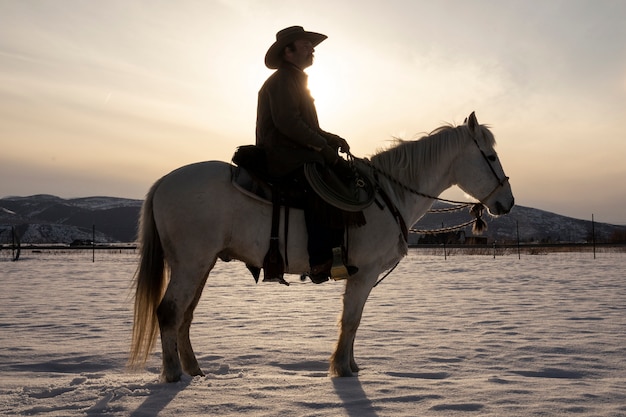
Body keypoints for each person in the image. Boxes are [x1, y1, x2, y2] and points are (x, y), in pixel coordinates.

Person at [256, 26, 356, 283]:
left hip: (295, 149)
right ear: (288, 52)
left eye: (311, 46)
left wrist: (332, 139)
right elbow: (288, 123)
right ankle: (321, 260)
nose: (312, 50)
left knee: (338, 176)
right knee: (324, 185)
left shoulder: (295, 79)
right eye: (305, 46)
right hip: (283, 153)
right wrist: (322, 148)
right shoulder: (283, 80)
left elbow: (308, 126)